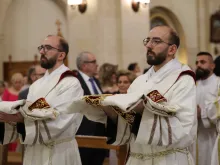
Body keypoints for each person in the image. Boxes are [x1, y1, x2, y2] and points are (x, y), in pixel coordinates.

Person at [67, 25, 197, 165]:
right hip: (137, 159)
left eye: (156, 41)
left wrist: (143, 112)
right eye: (147, 40)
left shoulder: (183, 79)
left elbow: (186, 130)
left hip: (168, 158)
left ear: (172, 49)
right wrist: (112, 112)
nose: (148, 45)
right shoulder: (139, 81)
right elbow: (127, 127)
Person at [0, 35, 83, 165]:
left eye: (48, 48)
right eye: (41, 47)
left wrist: (22, 118)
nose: (41, 51)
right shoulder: (36, 85)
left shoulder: (70, 83)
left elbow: (62, 121)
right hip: (34, 151)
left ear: (61, 55)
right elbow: (29, 113)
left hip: (59, 151)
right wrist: (9, 118)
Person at [75, 51, 106, 165]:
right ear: (84, 65)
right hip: (85, 131)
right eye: (93, 62)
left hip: (100, 131)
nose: (97, 65)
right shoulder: (76, 81)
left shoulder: (95, 81)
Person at [189, 52, 218, 165]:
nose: (199, 65)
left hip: (212, 136)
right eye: (197, 62)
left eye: (203, 62)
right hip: (195, 136)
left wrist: (202, 112)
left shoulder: (218, 83)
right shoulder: (193, 85)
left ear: (212, 65)